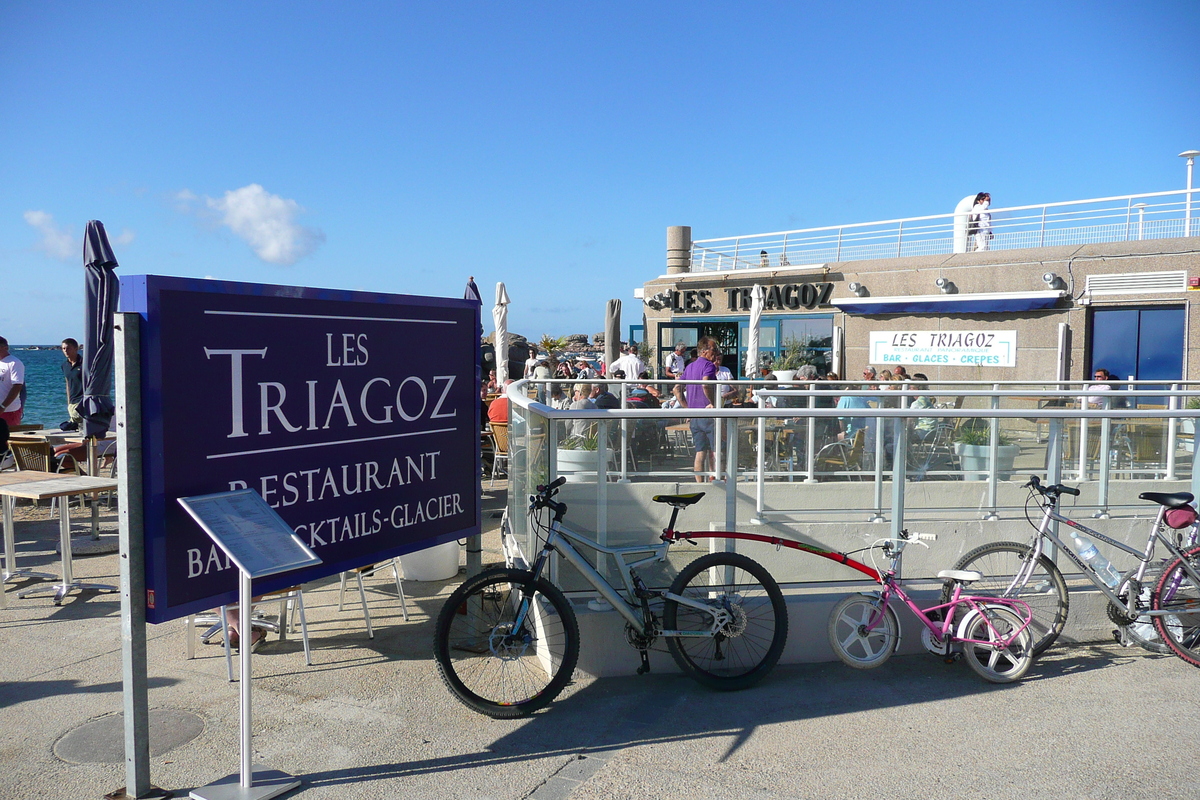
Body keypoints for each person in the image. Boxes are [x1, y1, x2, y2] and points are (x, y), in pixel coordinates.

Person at [681, 336, 720, 482]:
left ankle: (699, 484)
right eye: (714, 350)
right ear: (704, 351)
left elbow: (677, 389)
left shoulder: (689, 366)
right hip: (708, 415)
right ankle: (716, 480)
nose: (716, 353)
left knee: (700, 452)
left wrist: (688, 408)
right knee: (716, 451)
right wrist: (713, 403)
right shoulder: (708, 366)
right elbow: (705, 384)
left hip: (695, 416)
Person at [0, 337, 25, 428]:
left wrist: (3, 406)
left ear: (5, 347)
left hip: (9, 410)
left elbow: (17, 386)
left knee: (8, 438)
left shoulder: (14, 363)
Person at [59, 338, 84, 427]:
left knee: (86, 428)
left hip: (84, 401)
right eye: (63, 348)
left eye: (68, 348)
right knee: (68, 427)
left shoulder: (84, 363)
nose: (66, 351)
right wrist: (69, 402)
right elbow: (67, 383)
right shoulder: (65, 365)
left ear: (76, 348)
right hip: (73, 402)